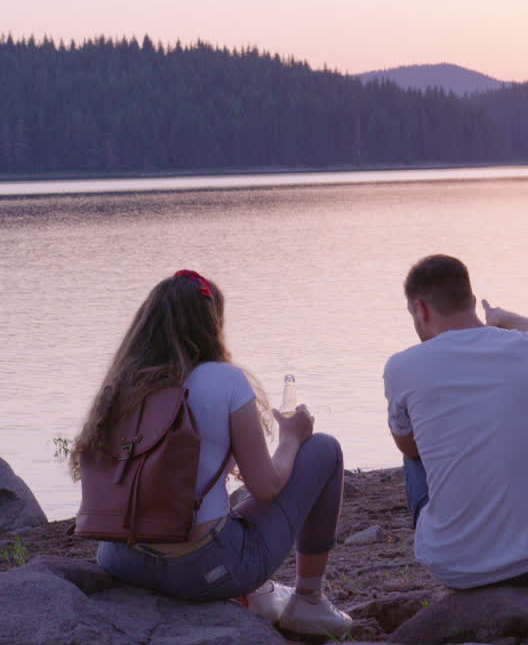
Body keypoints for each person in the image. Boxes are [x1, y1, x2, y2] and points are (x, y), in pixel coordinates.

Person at [71, 270, 352, 637]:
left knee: (224, 507)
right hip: (202, 570)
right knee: (324, 449)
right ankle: (309, 600)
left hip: (120, 560)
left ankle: (259, 595)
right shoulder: (224, 379)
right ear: (212, 323)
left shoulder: (121, 383)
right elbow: (265, 487)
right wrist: (291, 438)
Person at [384, 255, 528, 618]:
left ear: (421, 308)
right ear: (471, 299)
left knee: (413, 451)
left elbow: (409, 448)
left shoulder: (402, 366)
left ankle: (460, 535)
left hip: (451, 567)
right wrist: (505, 319)